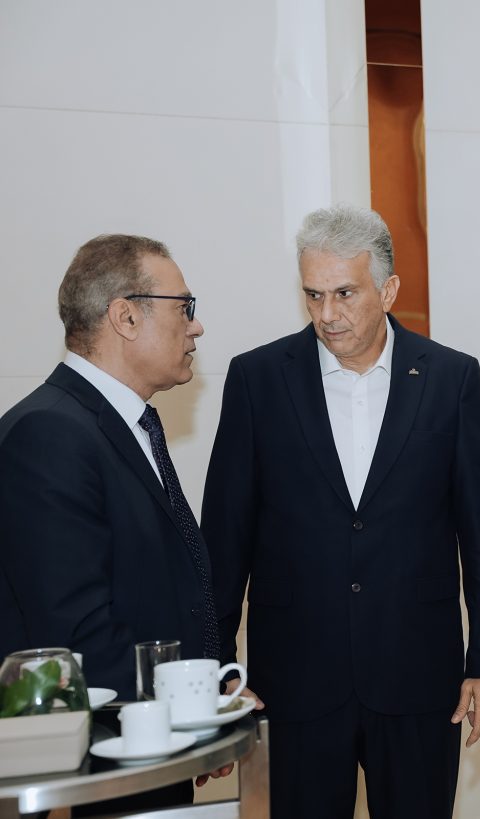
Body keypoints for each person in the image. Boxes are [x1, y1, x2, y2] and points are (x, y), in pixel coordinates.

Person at [202, 203, 480, 819]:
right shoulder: (257, 379)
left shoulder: (451, 378)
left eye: (344, 293)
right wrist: (215, 671)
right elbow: (225, 538)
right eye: (313, 295)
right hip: (293, 681)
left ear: (388, 290)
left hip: (418, 675)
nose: (326, 314)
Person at [0, 234, 219, 811]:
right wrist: (188, 711)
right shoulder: (49, 433)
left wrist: (203, 704)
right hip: (102, 762)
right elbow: (74, 631)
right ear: (125, 316)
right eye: (184, 307)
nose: (196, 327)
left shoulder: (123, 423)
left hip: (145, 745)